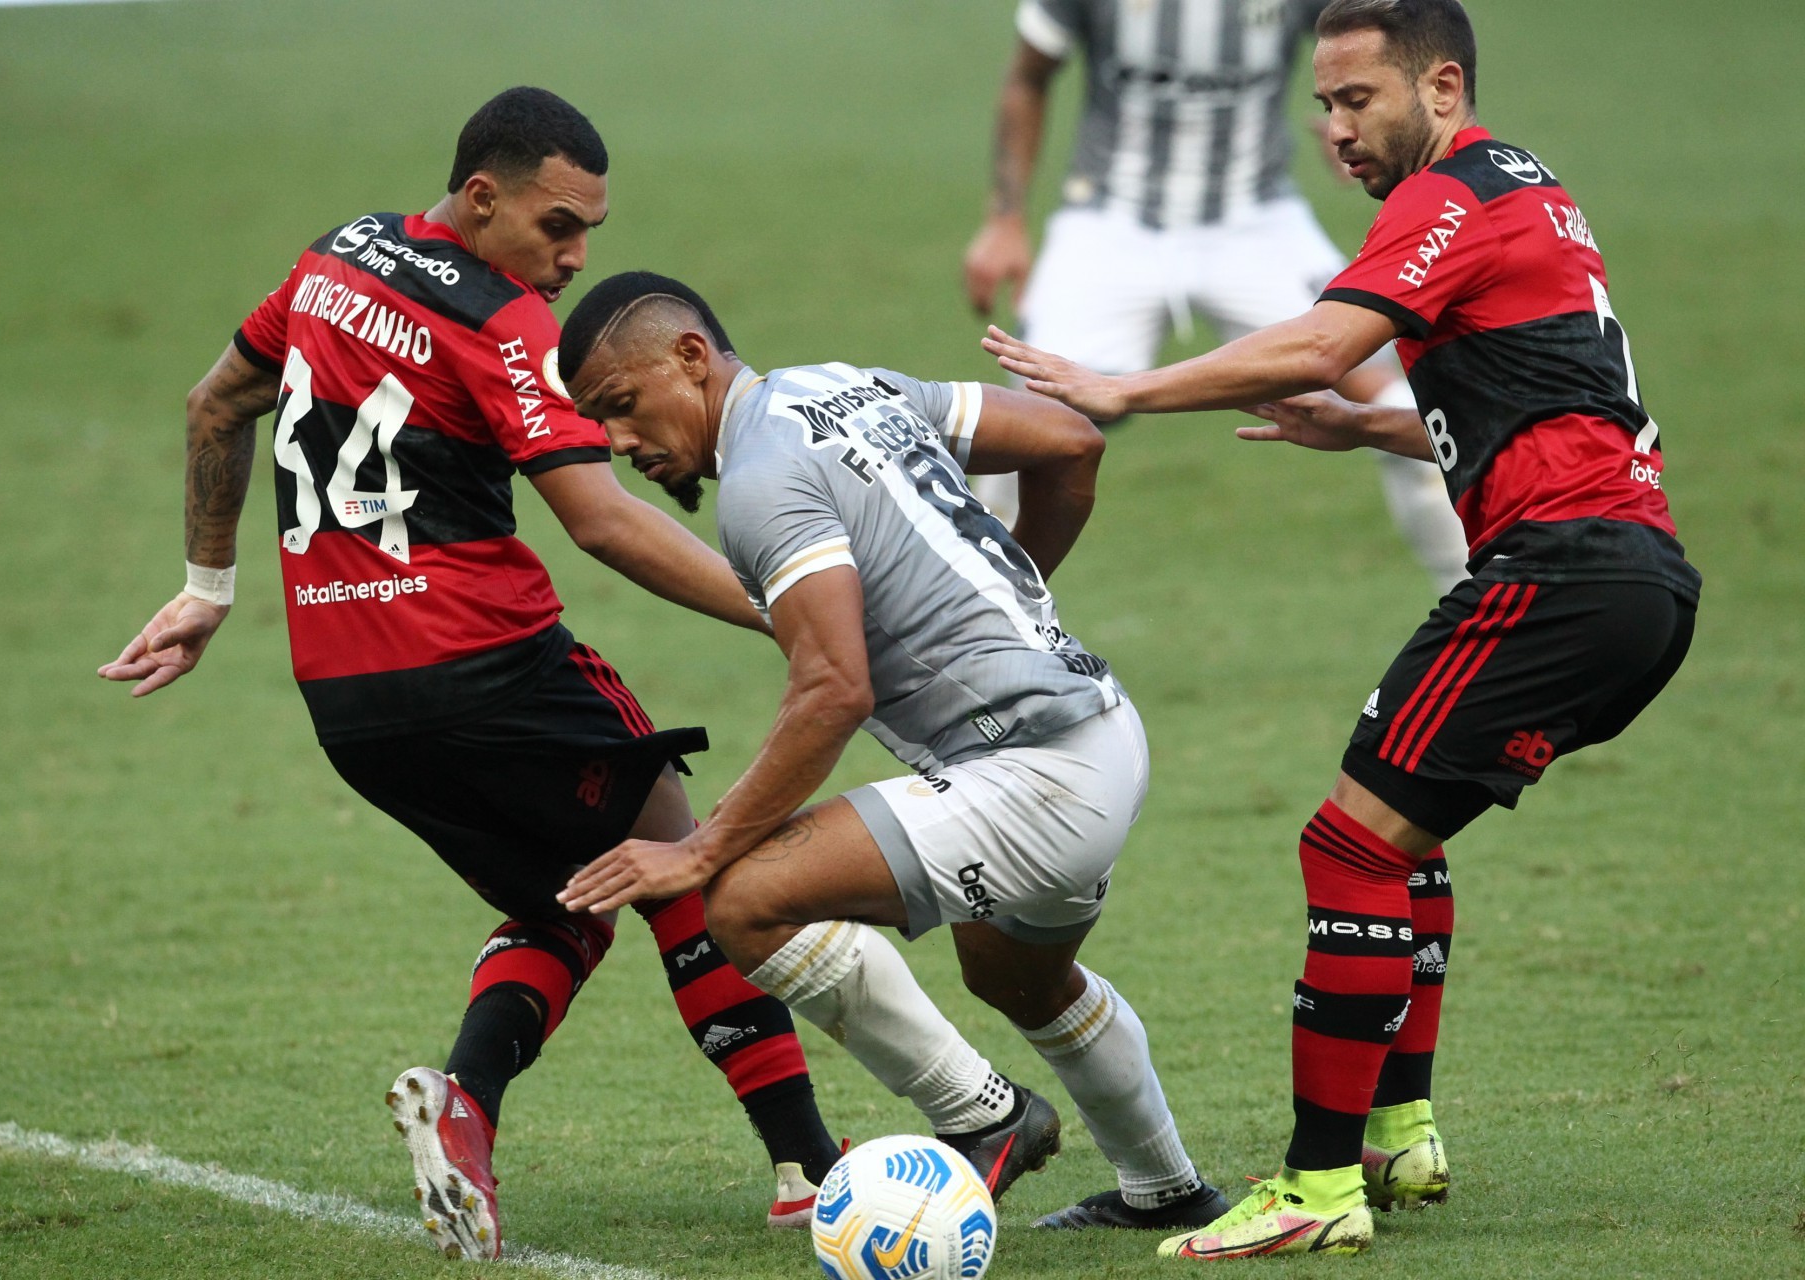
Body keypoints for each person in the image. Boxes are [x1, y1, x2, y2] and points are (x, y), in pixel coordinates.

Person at [985, 0, 1700, 1258]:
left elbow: (1328, 336)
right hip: (1635, 578)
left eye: (1357, 99)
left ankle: (1317, 1185)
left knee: (1347, 846)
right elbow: (1546, 390)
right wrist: (1373, 425)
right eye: (1320, 104)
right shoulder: (1534, 191)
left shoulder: (1447, 197)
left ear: (1440, 86)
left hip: (1562, 572)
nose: (1334, 128)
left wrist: (1128, 385)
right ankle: (1398, 1129)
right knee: (1403, 835)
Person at [96, 88, 841, 1262]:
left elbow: (214, 402)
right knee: (678, 847)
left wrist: (207, 588)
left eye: (588, 228)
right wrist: (781, 612)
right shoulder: (501, 325)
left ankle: (468, 1107)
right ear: (483, 196)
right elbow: (600, 522)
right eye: (556, 227)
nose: (575, 257)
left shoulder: (335, 259)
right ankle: (811, 1167)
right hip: (483, 658)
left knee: (573, 894)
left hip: (348, 699)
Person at [552, 270, 1232, 1234]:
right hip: (1104, 731)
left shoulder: (757, 484)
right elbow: (1071, 441)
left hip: (1032, 774)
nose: (621, 444)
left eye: (623, 407)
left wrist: (702, 847)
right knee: (1018, 978)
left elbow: (833, 690)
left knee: (738, 898)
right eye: (600, 425)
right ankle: (1168, 1188)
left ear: (691, 358)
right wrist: (1013, 593)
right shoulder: (848, 383)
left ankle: (984, 1121)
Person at [962, 0, 1470, 593]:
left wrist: (1377, 132)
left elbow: (1389, 44)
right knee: (1031, 412)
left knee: (1407, 399)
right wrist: (1004, 219)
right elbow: (1029, 75)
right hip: (1111, 221)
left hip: (1255, 220)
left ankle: (1496, 608)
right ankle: (973, 622)